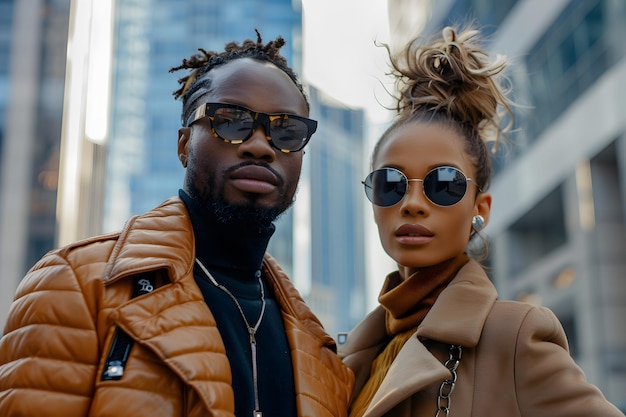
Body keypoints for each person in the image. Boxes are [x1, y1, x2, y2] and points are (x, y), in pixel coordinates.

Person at [0, 31, 353, 417]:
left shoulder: (320, 351)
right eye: (231, 121)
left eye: (286, 131)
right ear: (184, 144)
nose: (260, 144)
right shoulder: (75, 284)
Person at [338, 25, 623, 417]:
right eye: (391, 183)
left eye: (443, 184)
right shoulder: (349, 357)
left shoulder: (515, 335)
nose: (413, 203)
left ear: (481, 208)